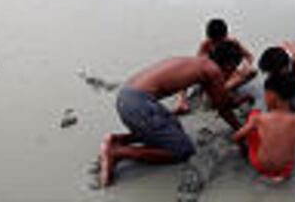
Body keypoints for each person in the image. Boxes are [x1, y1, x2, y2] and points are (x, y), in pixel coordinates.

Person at [99, 41, 244, 187]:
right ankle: (118, 152)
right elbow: (223, 108)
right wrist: (240, 129)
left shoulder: (200, 62)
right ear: (230, 64)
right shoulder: (213, 71)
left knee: (175, 128)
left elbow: (221, 100)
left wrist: (238, 101)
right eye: (235, 68)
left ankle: (118, 139)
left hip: (126, 97)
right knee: (183, 150)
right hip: (139, 106)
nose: (233, 73)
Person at [232, 73, 295, 181]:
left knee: (253, 118)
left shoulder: (259, 118)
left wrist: (243, 148)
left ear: (272, 96)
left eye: (265, 94)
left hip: (261, 167)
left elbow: (237, 137)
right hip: (286, 170)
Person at [173, 18, 257, 115]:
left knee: (252, 71)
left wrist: (245, 65)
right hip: (213, 74)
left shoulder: (232, 43)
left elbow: (249, 56)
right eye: (214, 41)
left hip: (228, 75)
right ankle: (181, 102)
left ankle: (224, 88)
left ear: (225, 36)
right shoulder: (206, 45)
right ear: (209, 37)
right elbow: (197, 63)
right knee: (185, 74)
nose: (217, 43)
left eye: (219, 40)